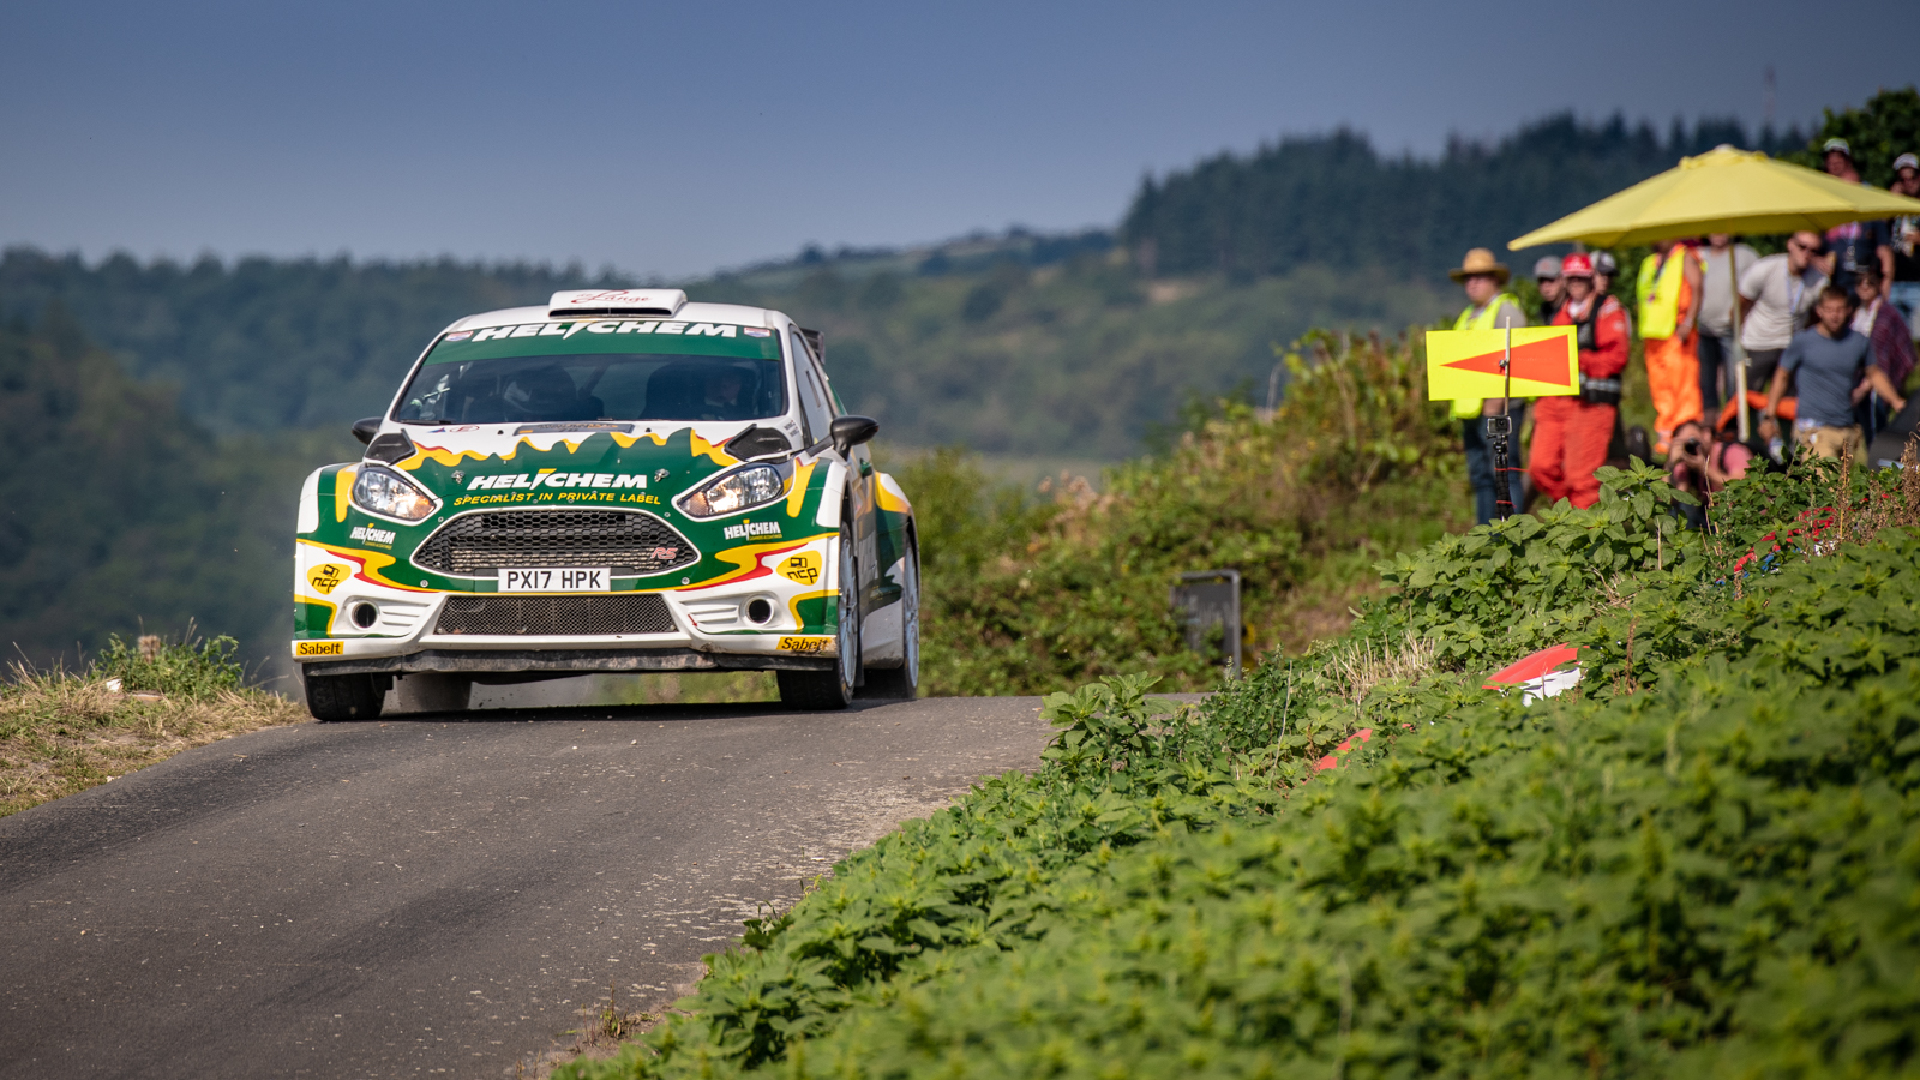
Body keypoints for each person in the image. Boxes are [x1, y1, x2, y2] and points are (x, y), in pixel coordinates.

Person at [1762, 286, 1907, 461]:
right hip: (1813, 428)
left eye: (1839, 310)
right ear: (1819, 311)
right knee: (1823, 477)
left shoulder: (1858, 342)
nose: (1834, 315)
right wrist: (1769, 415)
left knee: (1843, 479)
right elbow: (1782, 376)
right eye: (1829, 310)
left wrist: (1896, 401)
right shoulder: (1804, 341)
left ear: (1848, 310)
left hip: (1846, 428)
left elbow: (1874, 374)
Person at [1530, 253, 1628, 509]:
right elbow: (1553, 356)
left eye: (1581, 279)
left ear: (1591, 279)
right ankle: (1566, 512)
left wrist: (1580, 360)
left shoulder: (1607, 309)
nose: (1576, 284)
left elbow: (1617, 357)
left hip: (1593, 404)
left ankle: (1583, 526)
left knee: (1581, 478)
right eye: (1571, 278)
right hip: (1560, 400)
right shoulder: (1562, 313)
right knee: (1540, 467)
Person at [1447, 248, 1528, 524]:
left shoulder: (1506, 310)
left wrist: (1497, 397)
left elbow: (1517, 356)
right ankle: (1484, 536)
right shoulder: (1468, 316)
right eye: (1468, 278)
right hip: (1471, 410)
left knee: (1503, 473)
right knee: (1481, 477)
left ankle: (1512, 533)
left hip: (1498, 407)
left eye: (1479, 277)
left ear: (1494, 280)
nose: (1472, 283)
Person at [1636, 238, 1705, 454]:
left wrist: (1688, 322)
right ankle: (1665, 435)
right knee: (1660, 388)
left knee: (1683, 384)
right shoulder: (1650, 261)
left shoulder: (1684, 256)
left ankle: (1685, 431)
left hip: (1676, 332)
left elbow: (1697, 287)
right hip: (1653, 334)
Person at [1739, 230, 1830, 392]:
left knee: (1789, 400)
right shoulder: (1765, 268)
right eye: (1802, 247)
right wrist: (1739, 336)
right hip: (1759, 343)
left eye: (1814, 250)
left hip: (1791, 346)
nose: (1807, 254)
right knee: (1749, 396)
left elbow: (1816, 317)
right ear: (1790, 245)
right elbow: (1741, 304)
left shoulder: (1820, 280)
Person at [1695, 234, 1758, 420]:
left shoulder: (1744, 254)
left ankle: (1733, 425)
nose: (1718, 234)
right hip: (1703, 330)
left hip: (1732, 332)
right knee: (1706, 384)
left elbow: (1758, 284)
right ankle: (1709, 427)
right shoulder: (1698, 255)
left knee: (1734, 383)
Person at [1852, 266, 1916, 441]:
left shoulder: (1886, 314)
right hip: (1860, 379)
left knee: (1876, 434)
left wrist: (1864, 387)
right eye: (1860, 282)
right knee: (1865, 431)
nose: (1865, 286)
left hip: (1878, 383)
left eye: (1870, 282)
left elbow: (1881, 357)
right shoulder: (1857, 312)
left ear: (1879, 285)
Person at [1820, 138, 1893, 292]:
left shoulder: (1868, 200)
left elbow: (1884, 248)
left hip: (1865, 284)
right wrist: (1817, 261)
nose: (1834, 164)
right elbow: (1808, 243)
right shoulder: (1821, 200)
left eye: (1839, 159)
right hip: (1832, 284)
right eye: (1830, 161)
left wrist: (1886, 281)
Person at [1665, 417, 1751, 529]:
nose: (1692, 447)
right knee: (1681, 506)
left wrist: (1705, 469)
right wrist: (1671, 464)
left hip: (1741, 515)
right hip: (1712, 518)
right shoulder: (1687, 462)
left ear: (1706, 435)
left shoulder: (1733, 451)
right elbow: (1669, 498)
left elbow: (1742, 485)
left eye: (1693, 440)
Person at [1889, 152, 1920, 327]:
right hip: (1895, 282)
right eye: (1903, 179)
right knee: (1896, 336)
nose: (1908, 183)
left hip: (1917, 283)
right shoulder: (1893, 206)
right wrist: (1889, 204)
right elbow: (1876, 233)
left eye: (1912, 177)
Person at [1535, 255, 1564, 322]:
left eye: (1551, 280)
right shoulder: (1543, 311)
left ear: (1563, 280)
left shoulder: (1574, 309)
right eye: (1542, 281)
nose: (1546, 287)